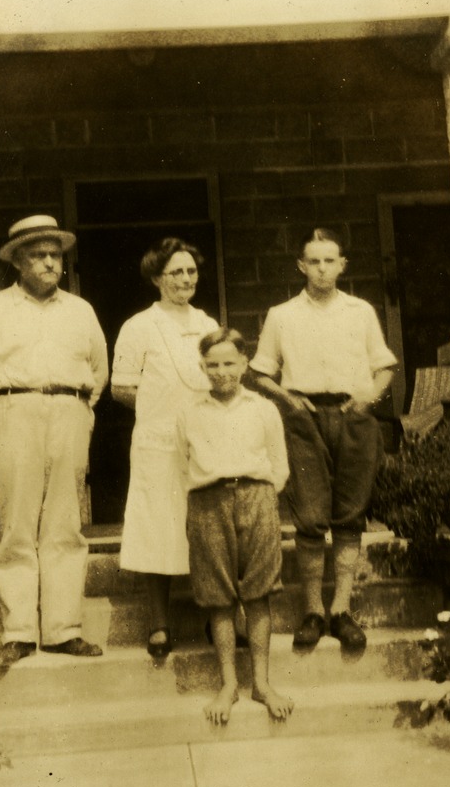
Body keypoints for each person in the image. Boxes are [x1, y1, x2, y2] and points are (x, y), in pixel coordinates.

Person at [0, 214, 109, 674]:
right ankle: (19, 633)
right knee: (17, 525)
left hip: (69, 411)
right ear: (18, 261)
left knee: (66, 521)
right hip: (11, 411)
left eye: (55, 254)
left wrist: (79, 408)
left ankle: (64, 630)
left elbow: (98, 371)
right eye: (38, 254)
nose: (48, 262)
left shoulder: (81, 310)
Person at [247, 227, 397, 652]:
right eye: (314, 261)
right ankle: (313, 610)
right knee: (310, 516)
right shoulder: (282, 314)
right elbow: (260, 372)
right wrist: (289, 400)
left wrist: (371, 396)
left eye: (330, 260)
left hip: (354, 414)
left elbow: (384, 366)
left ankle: (341, 609)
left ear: (342, 265)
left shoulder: (361, 311)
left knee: (350, 514)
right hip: (304, 419)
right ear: (301, 266)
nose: (322, 268)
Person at [176, 327, 293, 724]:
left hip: (258, 498)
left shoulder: (263, 408)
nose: (222, 371)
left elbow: (280, 464)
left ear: (244, 364)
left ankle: (261, 682)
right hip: (208, 502)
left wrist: (259, 496)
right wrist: (206, 498)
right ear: (202, 367)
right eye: (213, 364)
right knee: (219, 597)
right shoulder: (190, 412)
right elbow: (182, 464)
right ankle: (228, 685)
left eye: (229, 363)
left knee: (259, 593)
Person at [111, 237, 218, 658]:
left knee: (208, 529)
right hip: (158, 443)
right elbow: (120, 387)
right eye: (176, 272)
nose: (186, 279)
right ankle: (159, 625)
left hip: (205, 441)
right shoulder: (140, 326)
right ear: (157, 278)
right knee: (158, 527)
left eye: (191, 271)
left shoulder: (208, 324)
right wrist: (163, 408)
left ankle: (217, 619)